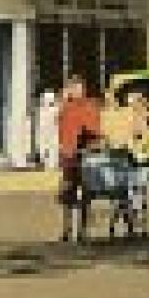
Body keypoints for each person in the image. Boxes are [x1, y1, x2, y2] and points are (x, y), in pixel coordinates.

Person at [55, 74, 103, 242]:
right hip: (69, 155)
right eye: (73, 88)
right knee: (68, 194)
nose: (76, 91)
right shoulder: (65, 108)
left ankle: (82, 230)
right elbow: (59, 127)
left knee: (86, 193)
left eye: (78, 87)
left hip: (85, 154)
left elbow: (96, 129)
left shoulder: (90, 105)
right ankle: (66, 230)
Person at [33, 88, 60, 169]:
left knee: (50, 150)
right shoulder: (43, 111)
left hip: (51, 133)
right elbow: (39, 126)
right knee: (47, 150)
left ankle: (51, 164)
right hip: (47, 133)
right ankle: (49, 164)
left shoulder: (54, 109)